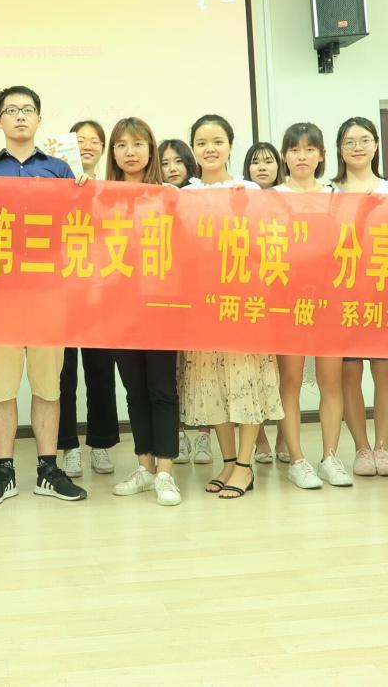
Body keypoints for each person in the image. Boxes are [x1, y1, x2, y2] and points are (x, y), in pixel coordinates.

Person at [0, 85, 89, 506]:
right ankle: (4, 471)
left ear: (38, 119)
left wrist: (86, 189)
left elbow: (81, 227)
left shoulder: (61, 170)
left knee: (48, 386)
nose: (20, 116)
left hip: (49, 295)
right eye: (11, 110)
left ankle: (48, 470)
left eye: (27, 109)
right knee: (0, 388)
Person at [178, 114, 282, 499]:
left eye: (218, 141)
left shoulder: (248, 190)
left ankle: (244, 465)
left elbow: (267, 243)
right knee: (213, 384)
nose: (210, 149)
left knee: (244, 381)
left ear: (230, 147)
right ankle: (227, 460)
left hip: (243, 303)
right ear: (193, 149)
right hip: (202, 305)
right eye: (202, 142)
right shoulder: (183, 195)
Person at [105, 117, 182, 505]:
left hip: (161, 305)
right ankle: (145, 466)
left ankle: (166, 473)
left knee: (162, 389)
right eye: (121, 145)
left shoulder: (169, 195)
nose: (129, 152)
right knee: (134, 390)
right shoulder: (101, 196)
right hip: (119, 308)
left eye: (137, 144)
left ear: (151, 150)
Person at [332, 117, 388, 478]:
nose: (357, 147)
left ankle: (383, 447)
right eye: (349, 142)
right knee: (348, 373)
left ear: (376, 145)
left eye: (364, 140)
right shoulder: (328, 191)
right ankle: (361, 448)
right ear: (339, 149)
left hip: (383, 291)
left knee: (385, 370)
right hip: (342, 292)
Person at [274, 122, 344, 489]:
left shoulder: (337, 195)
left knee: (331, 380)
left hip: (329, 297)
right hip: (288, 299)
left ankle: (331, 457)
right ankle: (297, 459)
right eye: (294, 149)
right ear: (284, 156)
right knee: (291, 380)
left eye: (309, 149)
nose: (302, 156)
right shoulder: (272, 197)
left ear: (321, 155)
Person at [59, 119, 118, 479]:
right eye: (80, 139)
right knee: (63, 374)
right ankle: (69, 447)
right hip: (63, 292)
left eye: (95, 140)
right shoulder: (55, 184)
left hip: (102, 293)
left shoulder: (112, 188)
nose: (87, 145)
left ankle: (100, 443)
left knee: (100, 372)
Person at [159, 138, 212, 466]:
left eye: (178, 161)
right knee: (171, 369)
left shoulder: (204, 194)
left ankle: (205, 434)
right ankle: (176, 433)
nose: (172, 168)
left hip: (199, 292)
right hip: (165, 295)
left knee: (201, 366)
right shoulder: (152, 196)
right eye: (165, 163)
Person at [242, 141, 286, 465]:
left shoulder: (289, 199)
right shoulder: (239, 200)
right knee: (254, 371)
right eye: (255, 162)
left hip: (286, 295)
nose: (261, 167)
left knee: (286, 373)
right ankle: (259, 439)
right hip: (251, 296)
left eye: (268, 161)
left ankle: (285, 436)